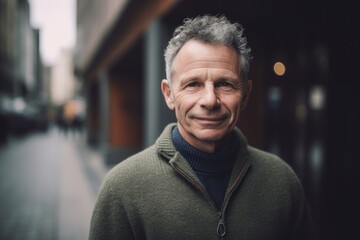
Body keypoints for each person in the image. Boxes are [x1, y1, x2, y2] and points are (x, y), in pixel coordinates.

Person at [89, 14, 317, 240]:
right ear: (169, 95)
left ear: (245, 95)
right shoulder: (122, 189)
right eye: (193, 84)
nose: (210, 100)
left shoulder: (282, 182)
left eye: (225, 84)